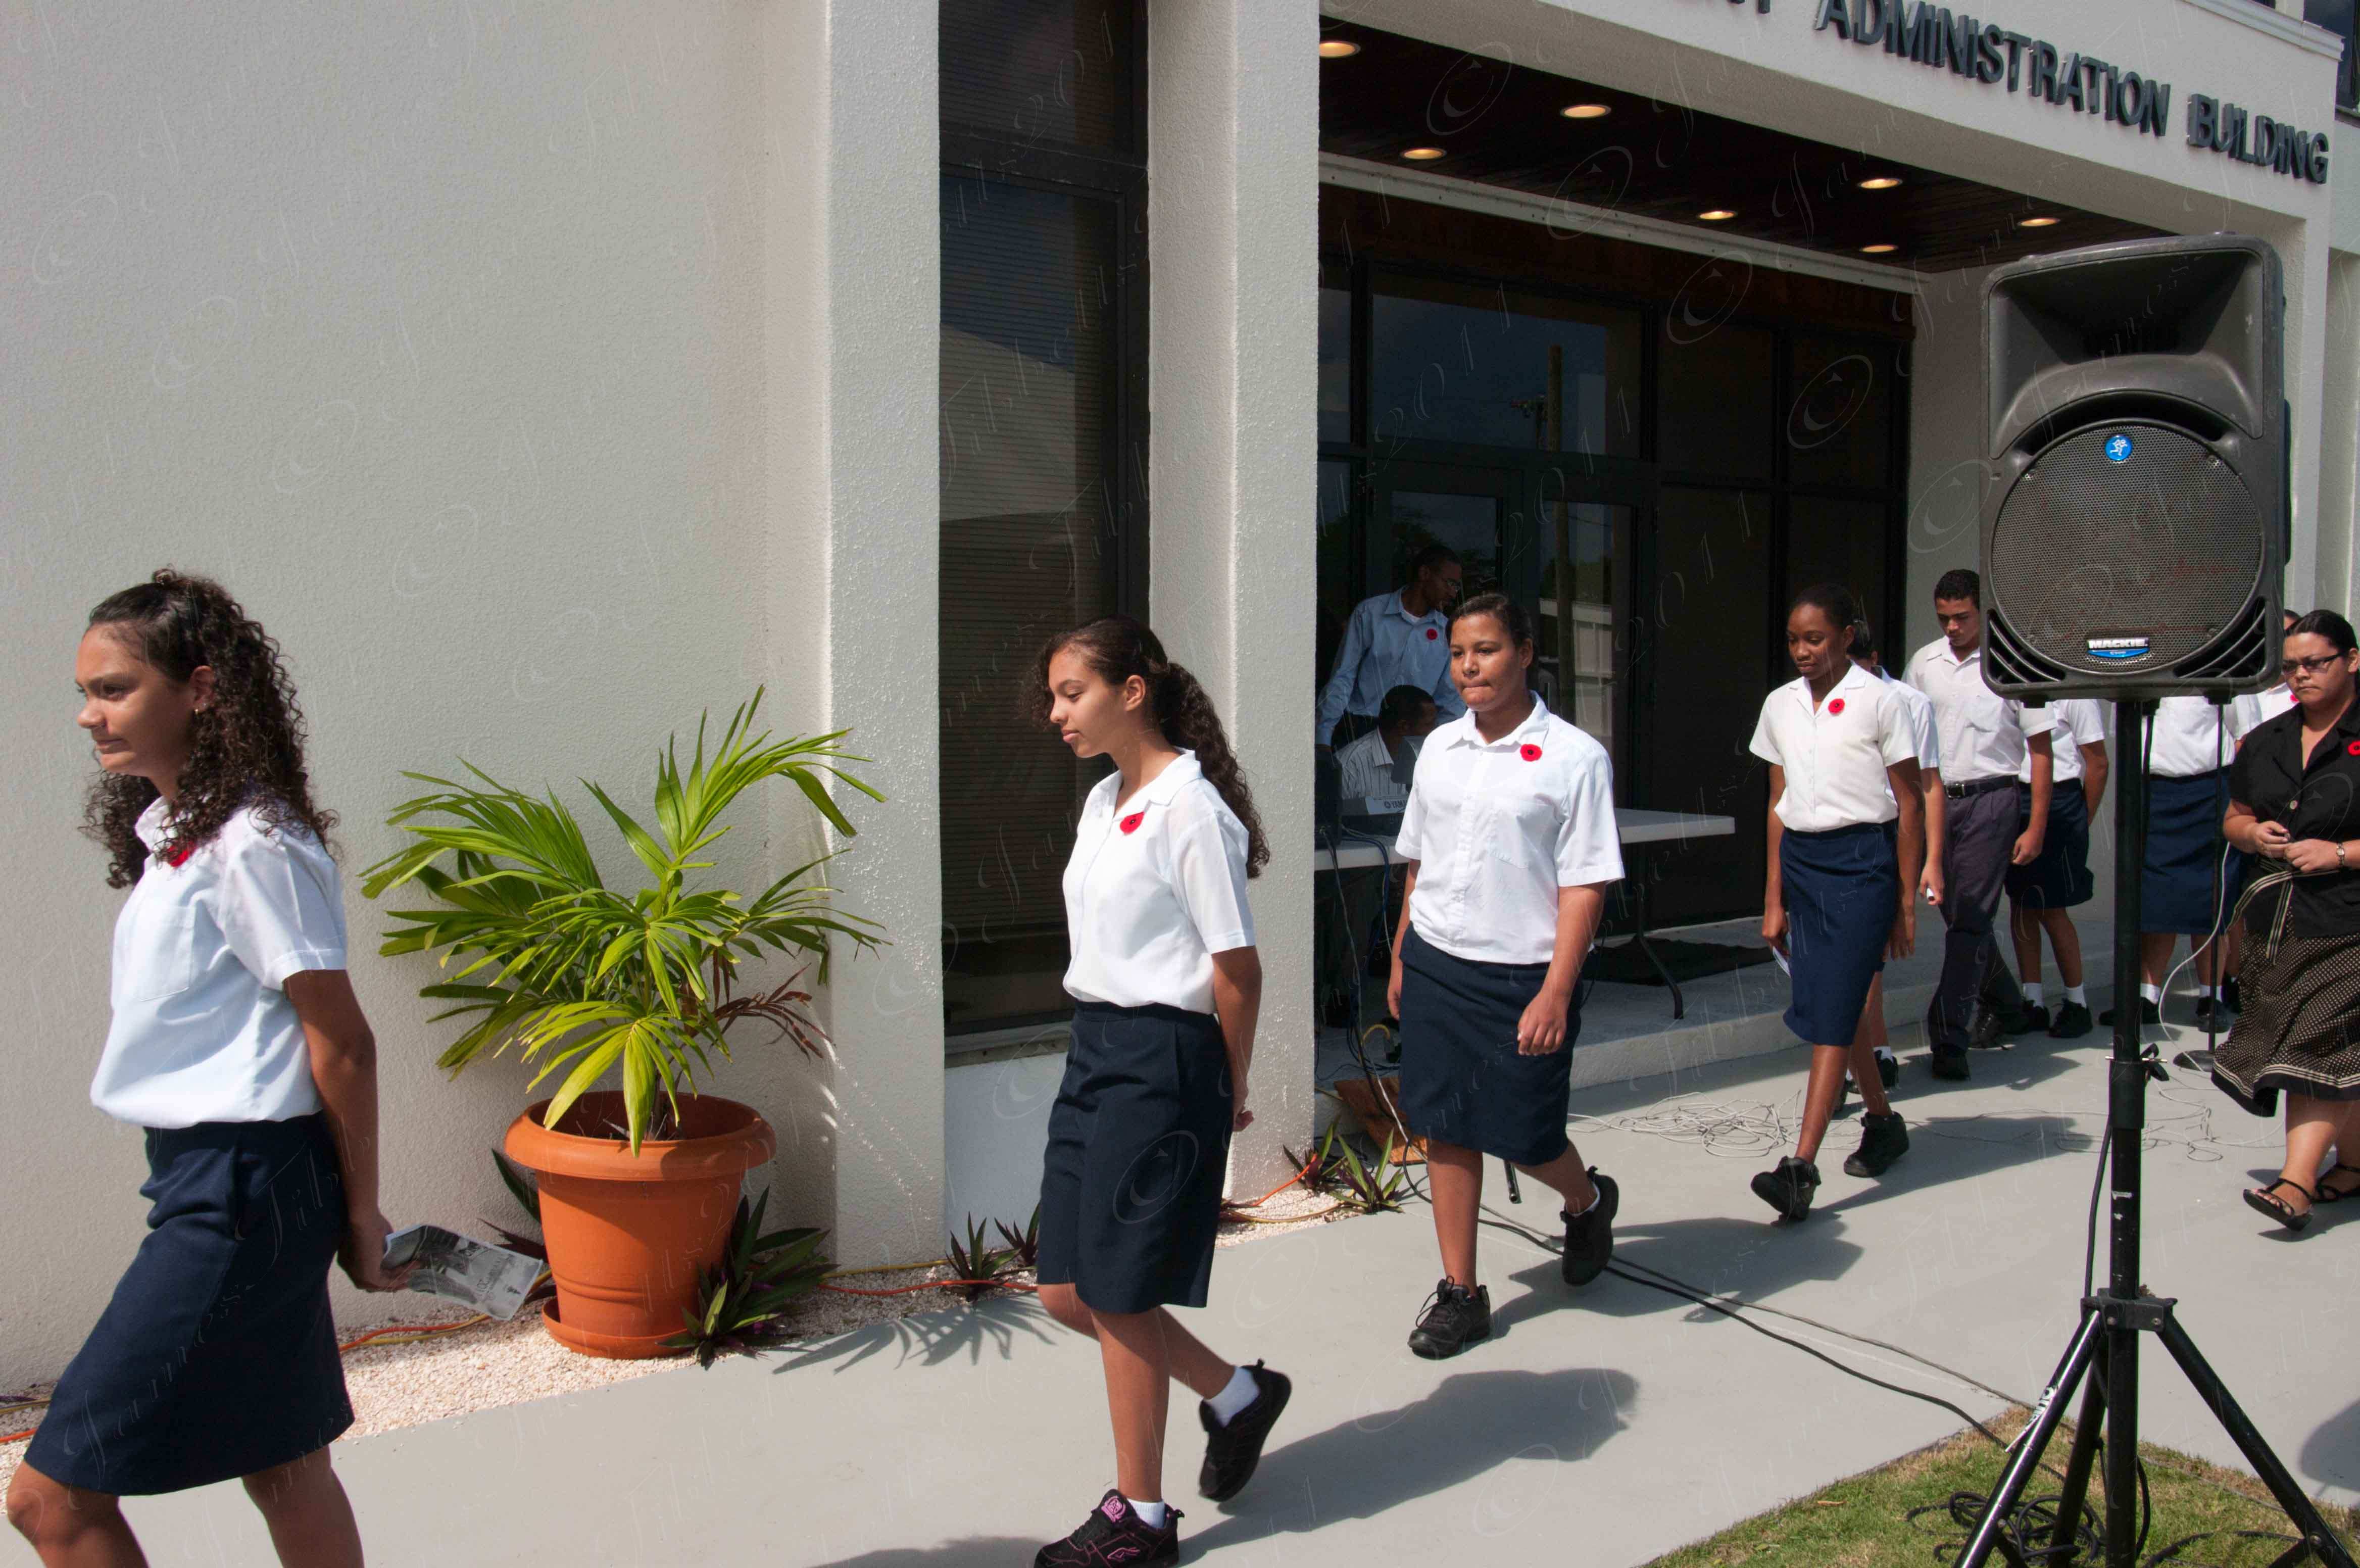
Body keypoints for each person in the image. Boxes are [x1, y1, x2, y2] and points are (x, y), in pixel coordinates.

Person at [9, 572, 412, 1568]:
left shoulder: (251, 843)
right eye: (86, 692)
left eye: (113, 689)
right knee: (285, 1463)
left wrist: (360, 1215)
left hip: (243, 1191)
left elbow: (343, 1040)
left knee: (50, 1500)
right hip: (218, 1179)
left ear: (199, 688)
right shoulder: (179, 838)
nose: (88, 713)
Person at [1026, 617, 1289, 1567]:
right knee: (1065, 1289)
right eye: (1054, 696)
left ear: (1132, 691)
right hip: (1095, 1048)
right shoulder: (1105, 799)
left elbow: (1237, 968)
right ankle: (1238, 1394)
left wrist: (1230, 1080)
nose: (1055, 713)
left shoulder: (1191, 807)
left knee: (1120, 1290)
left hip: (1164, 1059)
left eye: (1071, 693)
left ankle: (1141, 1517)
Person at [1385, 593, 1623, 1359]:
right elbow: (1418, 860)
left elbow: (1586, 883)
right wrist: (1402, 952)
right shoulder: (1439, 749)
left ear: (1524, 652)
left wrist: (1556, 989)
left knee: (1526, 1135)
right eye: (1458, 653)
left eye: (1485, 650)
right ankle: (1461, 1293)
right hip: (1438, 962)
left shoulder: (1574, 758)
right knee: (1445, 1127)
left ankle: (1586, 1201)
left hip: (1524, 975)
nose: (1468, 667)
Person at [1748, 585, 1924, 1220]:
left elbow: (1910, 803)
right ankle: (1882, 1122)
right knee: (1838, 1003)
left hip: (1862, 864)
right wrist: (1772, 896)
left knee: (1832, 1008)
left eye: (1814, 638)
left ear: (1847, 635)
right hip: (1803, 863)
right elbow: (1777, 804)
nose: (1801, 650)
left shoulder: (1882, 701)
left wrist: (1905, 900)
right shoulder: (1780, 704)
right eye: (1793, 640)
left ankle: (1800, 1167)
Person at [2210, 610, 2360, 1232]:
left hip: (2350, 919)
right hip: (2277, 920)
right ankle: (2352, 1164)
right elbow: (2234, 817)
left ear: (2351, 659)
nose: (2301, 675)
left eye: (2315, 663)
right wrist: (2254, 835)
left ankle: (2295, 1183)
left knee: (2316, 1045)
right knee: (2340, 1049)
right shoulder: (2265, 740)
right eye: (2291, 666)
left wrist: (2341, 853)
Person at [1904, 568, 2055, 1080]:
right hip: (1936, 800)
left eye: (1962, 617)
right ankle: (2008, 1003)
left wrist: (2035, 826)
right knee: (1957, 914)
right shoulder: (1924, 664)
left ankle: (1949, 1035)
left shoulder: (2013, 662)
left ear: (1983, 612)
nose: (1952, 627)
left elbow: (2040, 750)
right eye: (1944, 618)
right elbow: (1904, 737)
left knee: (1970, 918)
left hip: (1992, 799)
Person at [2099, 694, 2240, 1031]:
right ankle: (2147, 997)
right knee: (2155, 897)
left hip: (2210, 788)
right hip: (2154, 790)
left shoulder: (2217, 672)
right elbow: (2126, 734)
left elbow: (2243, 734)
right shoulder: (2137, 674)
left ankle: (2211, 997)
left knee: (2210, 897)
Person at [1848, 619, 1944, 1092]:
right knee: (1852, 960)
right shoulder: (1814, 701)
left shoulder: (1907, 703)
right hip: (1835, 839)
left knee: (1871, 955)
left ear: (1874, 661)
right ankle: (1870, 1054)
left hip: (1887, 834)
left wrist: (1931, 860)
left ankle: (1870, 1055)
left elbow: (1927, 787)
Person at [2005, 698, 2109, 1040]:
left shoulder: (2076, 696)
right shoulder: (2011, 687)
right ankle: (2033, 1001)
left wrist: (2082, 818)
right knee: (2022, 904)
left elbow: (2097, 763)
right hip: (2014, 795)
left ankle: (2077, 1002)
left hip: (2061, 801)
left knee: (2052, 909)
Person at [1316, 544, 1465, 750]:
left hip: (1414, 736)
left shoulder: (1448, 633)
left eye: (1456, 587)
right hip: (1360, 728)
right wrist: (1323, 736)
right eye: (1449, 583)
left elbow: (1450, 700)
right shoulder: (1370, 614)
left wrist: (1442, 748)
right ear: (1424, 574)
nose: (1452, 593)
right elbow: (1343, 677)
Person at [1336, 684, 1439, 809]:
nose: (1435, 730)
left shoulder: (1431, 759)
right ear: (1404, 727)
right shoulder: (1349, 766)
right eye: (1430, 724)